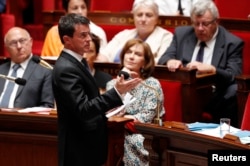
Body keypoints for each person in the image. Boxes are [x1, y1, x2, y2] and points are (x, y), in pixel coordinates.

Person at [52, 13, 142, 166]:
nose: (89, 39)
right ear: (67, 40)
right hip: (79, 149)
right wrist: (116, 92)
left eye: (89, 34)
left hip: (87, 146)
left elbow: (88, 100)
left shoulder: (78, 61)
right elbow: (83, 109)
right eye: (83, 35)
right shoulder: (66, 68)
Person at [158, 0, 244, 127]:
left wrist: (212, 69)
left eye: (205, 24)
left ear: (216, 21)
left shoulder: (232, 43)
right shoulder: (182, 34)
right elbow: (165, 57)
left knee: (233, 91)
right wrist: (170, 61)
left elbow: (234, 76)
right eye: (196, 23)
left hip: (215, 96)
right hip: (184, 93)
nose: (200, 28)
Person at [106, 38, 165, 165]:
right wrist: (120, 88)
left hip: (143, 133)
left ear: (145, 62)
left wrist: (122, 119)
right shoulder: (112, 84)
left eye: (138, 54)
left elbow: (146, 117)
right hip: (115, 131)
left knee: (130, 140)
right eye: (129, 52)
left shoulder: (152, 85)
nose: (131, 57)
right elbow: (109, 113)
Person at [99, 0, 173, 63]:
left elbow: (161, 61)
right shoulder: (124, 34)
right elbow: (104, 54)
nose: (143, 19)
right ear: (133, 18)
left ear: (156, 19)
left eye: (149, 15)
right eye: (139, 15)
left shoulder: (166, 37)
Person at [0, 27, 54, 108]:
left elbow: (47, 106)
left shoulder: (45, 70)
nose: (19, 46)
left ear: (31, 42)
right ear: (6, 48)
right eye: (13, 43)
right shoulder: (1, 70)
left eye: (22, 41)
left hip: (25, 119)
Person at [41, 0, 107, 57]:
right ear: (66, 12)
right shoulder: (54, 33)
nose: (80, 12)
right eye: (75, 8)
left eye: (83, 7)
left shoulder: (98, 32)